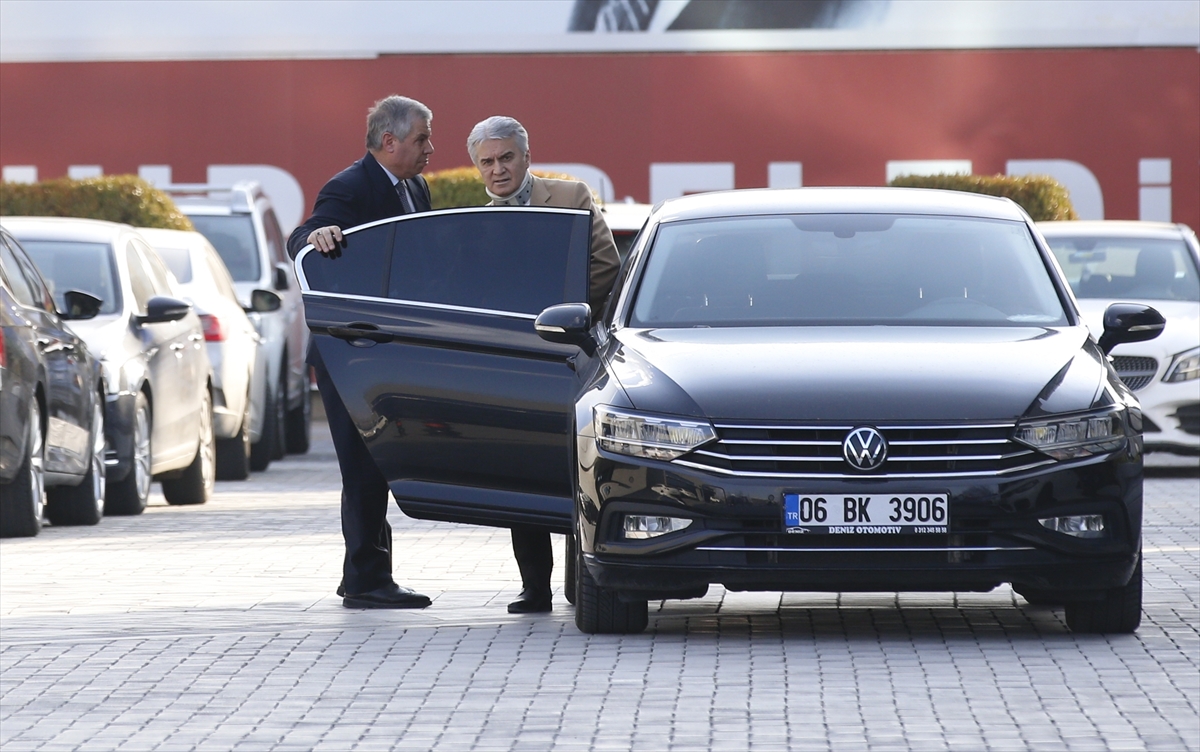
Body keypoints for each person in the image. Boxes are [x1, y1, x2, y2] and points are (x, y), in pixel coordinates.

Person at [466, 115, 621, 613]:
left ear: (526, 157)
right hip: (514, 364)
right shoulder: (475, 222)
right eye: (487, 162)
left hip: (572, 354)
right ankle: (534, 587)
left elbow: (606, 269)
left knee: (578, 469)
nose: (498, 169)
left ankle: (585, 579)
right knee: (523, 469)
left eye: (506, 157)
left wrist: (568, 318)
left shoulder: (572, 197)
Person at [287, 95, 435, 609]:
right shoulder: (350, 186)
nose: (429, 149)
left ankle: (366, 575)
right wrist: (318, 234)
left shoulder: (415, 186)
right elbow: (302, 237)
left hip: (389, 352)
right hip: (349, 356)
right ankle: (367, 580)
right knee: (364, 466)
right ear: (389, 142)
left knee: (382, 463)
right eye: (421, 139)